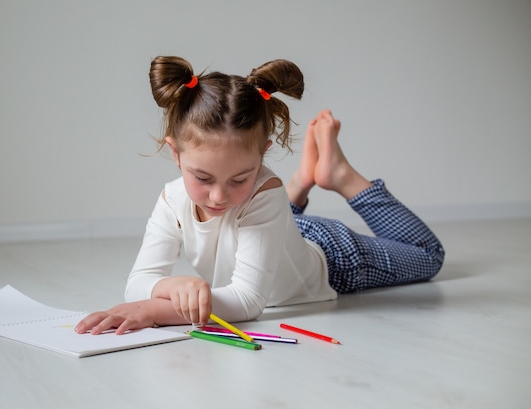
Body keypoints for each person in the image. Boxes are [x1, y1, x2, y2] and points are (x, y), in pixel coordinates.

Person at [75, 56, 445, 335]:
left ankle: (341, 176)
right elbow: (137, 281)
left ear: (263, 155)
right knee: (267, 213)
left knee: (429, 258)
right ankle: (301, 183)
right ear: (175, 154)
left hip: (334, 258)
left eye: (241, 177)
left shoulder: (264, 194)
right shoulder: (171, 200)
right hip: (281, 233)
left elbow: (249, 301)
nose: (219, 196)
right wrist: (170, 286)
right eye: (202, 177)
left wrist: (156, 309)